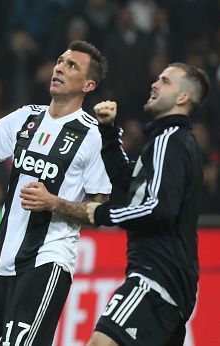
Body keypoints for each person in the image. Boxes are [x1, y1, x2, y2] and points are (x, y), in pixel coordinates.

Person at [0, 40, 111, 346]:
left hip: (46, 263)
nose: (59, 67)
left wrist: (53, 203)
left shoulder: (94, 136)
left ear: (89, 84)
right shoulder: (26, 118)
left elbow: (101, 210)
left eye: (72, 65)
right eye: (60, 60)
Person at [82, 63, 209, 345]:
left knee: (101, 343)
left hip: (156, 276)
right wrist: (108, 131)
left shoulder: (170, 140)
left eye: (165, 81)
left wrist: (104, 214)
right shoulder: (172, 142)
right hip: (173, 284)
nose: (155, 84)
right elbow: (128, 181)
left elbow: (158, 209)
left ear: (182, 98)